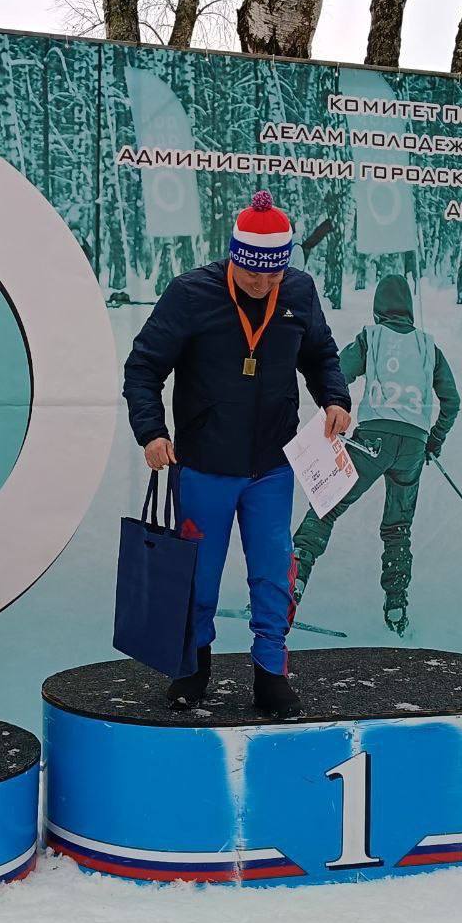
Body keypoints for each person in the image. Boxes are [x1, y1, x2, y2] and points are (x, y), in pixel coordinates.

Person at [123, 190, 352, 718]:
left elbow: (320, 354)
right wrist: (151, 431)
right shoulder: (191, 294)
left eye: (273, 275)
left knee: (273, 572)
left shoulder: (298, 290)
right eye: (252, 273)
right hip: (203, 465)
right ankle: (192, 665)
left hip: (272, 467)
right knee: (198, 575)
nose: (262, 284)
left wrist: (335, 398)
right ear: (235, 257)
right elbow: (143, 367)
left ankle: (270, 671)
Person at [291, 273, 460, 637]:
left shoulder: (373, 338)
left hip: (373, 441)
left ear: (378, 308)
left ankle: (294, 579)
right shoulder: (429, 346)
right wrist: (435, 439)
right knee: (398, 527)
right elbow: (452, 401)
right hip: (412, 446)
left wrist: (332, 406)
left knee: (327, 505)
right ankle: (396, 607)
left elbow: (337, 373)